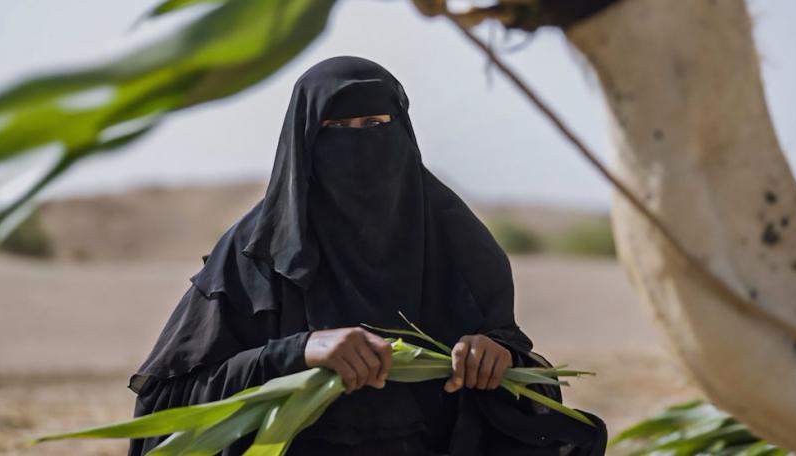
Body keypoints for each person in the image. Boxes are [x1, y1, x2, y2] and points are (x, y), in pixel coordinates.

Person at [127, 56, 607, 456]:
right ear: (305, 145)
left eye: (376, 125)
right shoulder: (256, 255)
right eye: (337, 129)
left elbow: (524, 378)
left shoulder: (456, 241)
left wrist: (495, 356)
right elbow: (168, 405)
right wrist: (297, 353)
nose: (360, 143)